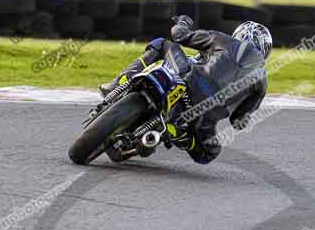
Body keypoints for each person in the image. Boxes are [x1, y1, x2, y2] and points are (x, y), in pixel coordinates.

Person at [100, 16, 272, 164]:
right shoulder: (262, 79)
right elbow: (238, 122)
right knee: (209, 153)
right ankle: (179, 134)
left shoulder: (222, 39)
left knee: (162, 44)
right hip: (206, 115)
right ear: (265, 50)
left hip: (187, 82)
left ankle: (119, 83)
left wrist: (182, 21)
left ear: (238, 34)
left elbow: (179, 35)